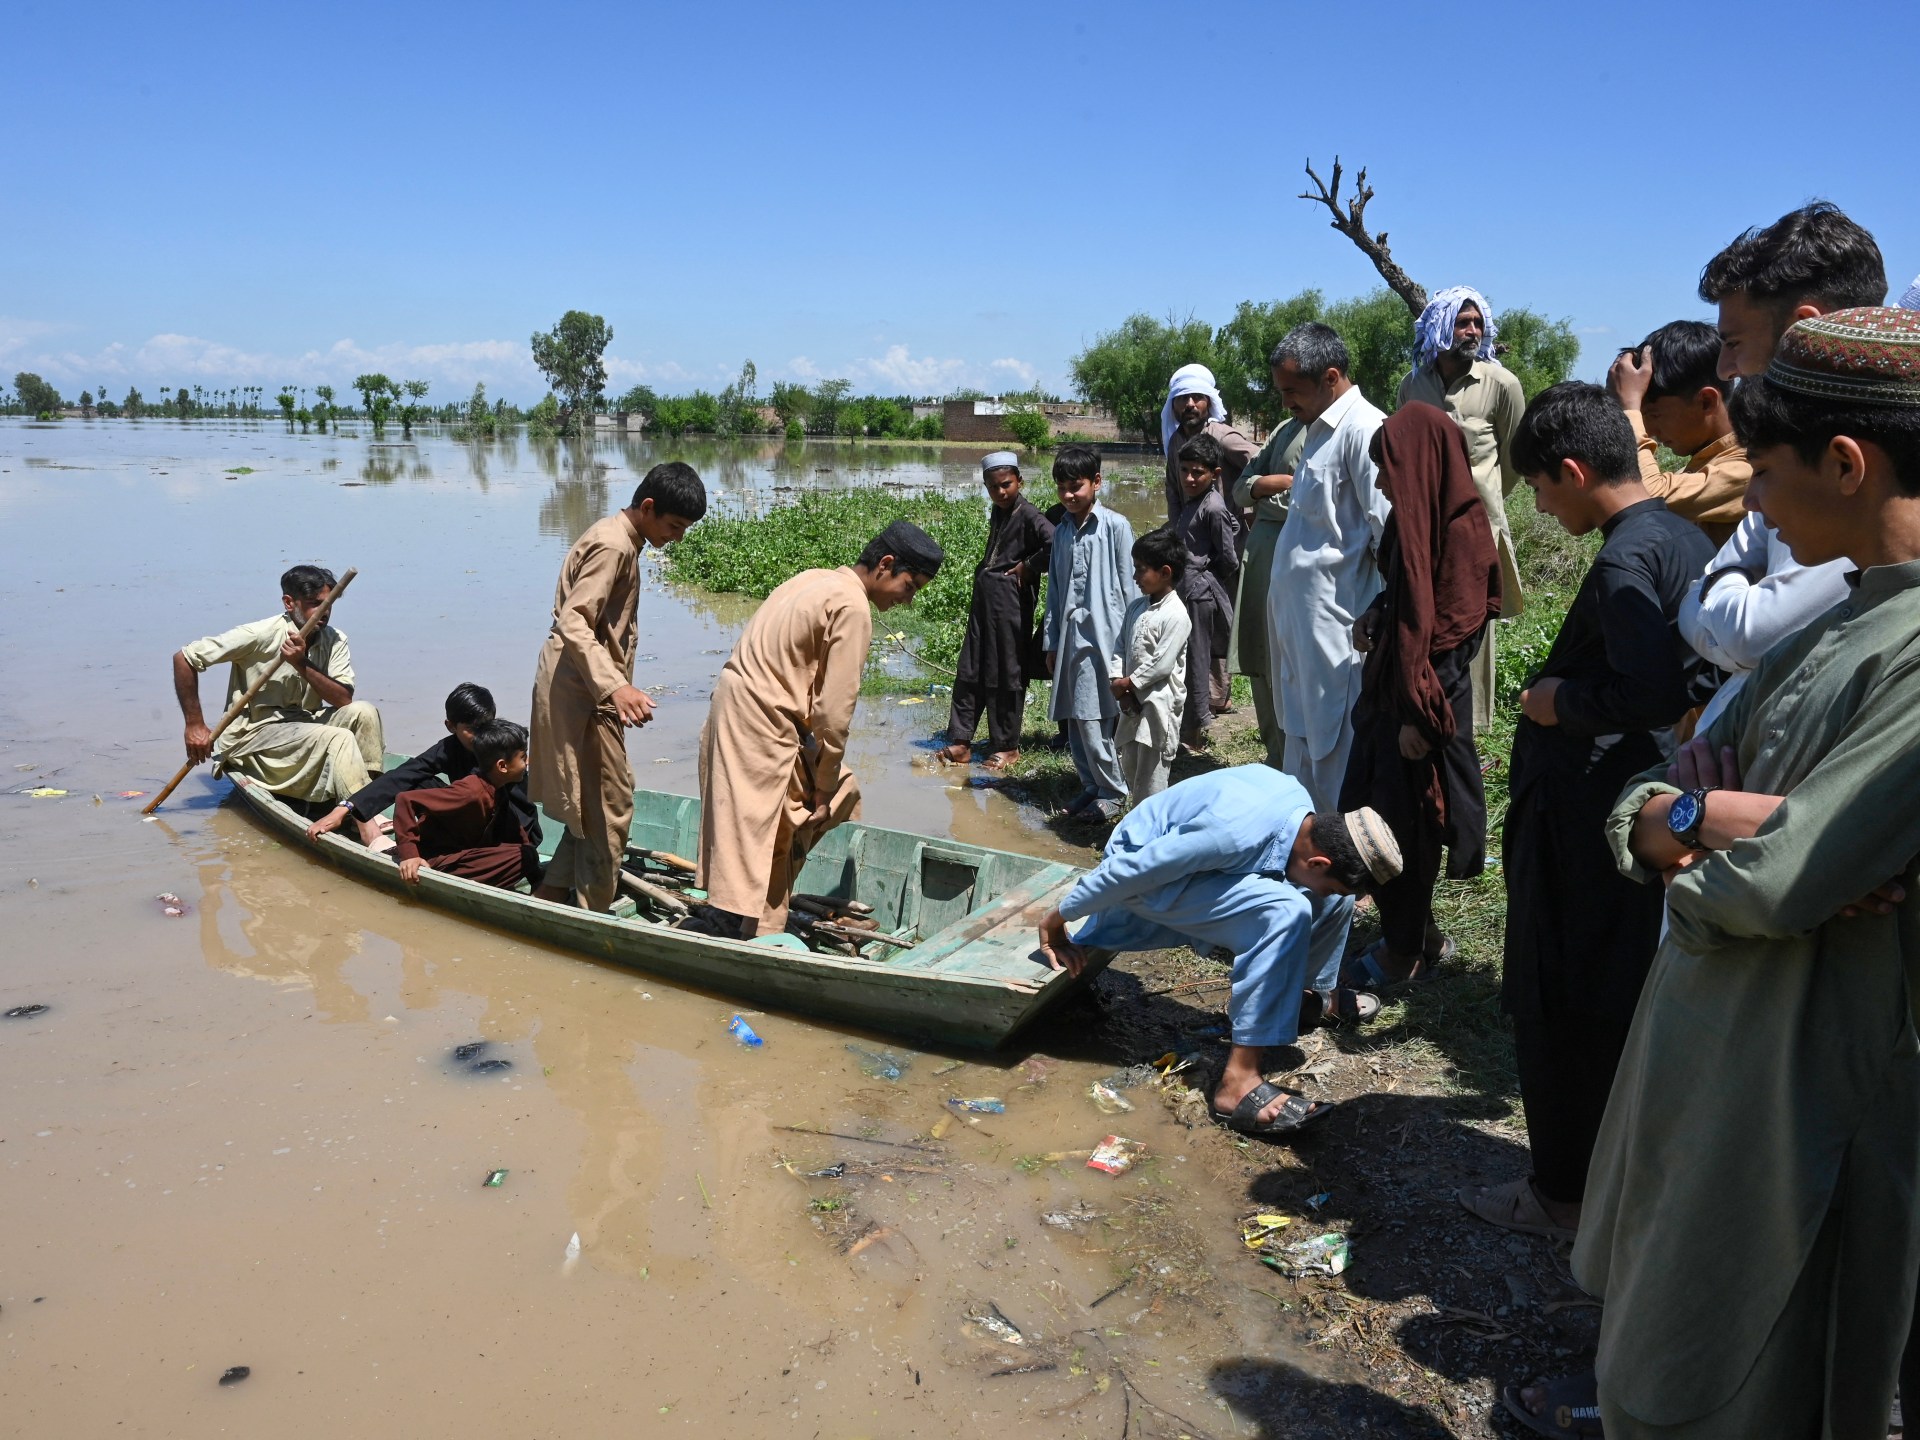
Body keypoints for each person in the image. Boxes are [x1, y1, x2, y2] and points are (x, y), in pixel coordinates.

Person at [1576, 307, 1920, 1439]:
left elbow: (1781, 882)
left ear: (1846, 463)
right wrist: (1708, 815)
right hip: (1726, 1056)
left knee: (1750, 1374)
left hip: (1802, 1092)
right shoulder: (1842, 616)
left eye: (1763, 474)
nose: (1753, 502)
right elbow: (1648, 807)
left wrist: (1720, 845)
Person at [1458, 382, 1713, 1247]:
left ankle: (1562, 1192)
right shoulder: (1681, 535)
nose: (1536, 502)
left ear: (1572, 471)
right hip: (1640, 803)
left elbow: (1652, 686)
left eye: (1539, 487)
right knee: (1614, 992)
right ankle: (1610, 1178)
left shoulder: (1622, 559)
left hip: (1586, 812)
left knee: (1558, 996)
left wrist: (1559, 701)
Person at [1035, 766, 1401, 1134]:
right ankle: (1238, 1082)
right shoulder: (1230, 832)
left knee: (1331, 902)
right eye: (1330, 880)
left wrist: (1332, 895)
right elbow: (1134, 870)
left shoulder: (1304, 817)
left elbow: (1315, 884)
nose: (1328, 889)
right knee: (1286, 911)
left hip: (1198, 861)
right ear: (1319, 861)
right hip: (1145, 868)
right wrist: (1058, 918)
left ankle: (1303, 997)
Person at [1672, 203, 1886, 735]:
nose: (1725, 370)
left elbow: (1749, 635)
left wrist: (1720, 586)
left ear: (1802, 331)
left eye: (1734, 343)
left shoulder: (1867, 481)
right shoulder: (1793, 466)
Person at [692, 520, 943, 939]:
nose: (908, 600)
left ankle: (743, 914)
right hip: (764, 723)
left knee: (767, 825)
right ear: (885, 565)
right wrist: (822, 785)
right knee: (793, 822)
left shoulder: (813, 578)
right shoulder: (853, 607)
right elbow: (833, 712)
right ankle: (764, 933)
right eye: (910, 586)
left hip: (730, 709)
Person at [1339, 405, 1500, 990]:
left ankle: (1403, 952)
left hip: (1420, 711)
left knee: (1405, 831)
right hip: (1393, 699)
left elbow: (1454, 641)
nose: (1382, 481)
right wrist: (1376, 614)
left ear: (1422, 464)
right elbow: (1405, 597)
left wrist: (1424, 721)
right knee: (1371, 814)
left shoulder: (1461, 535)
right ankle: (1420, 935)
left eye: (1389, 469)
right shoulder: (1415, 520)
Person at [1264, 322, 1389, 1022]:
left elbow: (1388, 537)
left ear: (1330, 376)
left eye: (1293, 390)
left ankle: (1321, 967)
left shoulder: (1365, 433)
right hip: (1301, 647)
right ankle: (1294, 923)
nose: (1287, 402)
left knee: (1330, 791)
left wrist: (1372, 615)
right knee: (1300, 781)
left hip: (1335, 648)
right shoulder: (1319, 429)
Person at [528, 462, 706, 912]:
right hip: (581, 686)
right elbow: (574, 619)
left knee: (595, 802)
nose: (677, 537)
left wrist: (614, 686)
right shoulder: (613, 545)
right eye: (674, 526)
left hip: (587, 683)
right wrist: (615, 688)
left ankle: (551, 894)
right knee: (612, 804)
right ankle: (594, 912)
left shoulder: (625, 539)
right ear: (647, 507)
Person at [1397, 286, 1527, 733]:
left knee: (1470, 631)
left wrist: (1477, 504)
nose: (1472, 330)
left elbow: (1511, 462)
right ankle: (1422, 714)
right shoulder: (1412, 386)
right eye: (1462, 322)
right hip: (1423, 534)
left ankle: (1466, 730)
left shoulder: (1502, 384)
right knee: (1423, 621)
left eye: (1477, 322)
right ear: (1439, 326)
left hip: (1476, 535)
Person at [172, 565, 385, 834]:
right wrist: (194, 724)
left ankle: (370, 800)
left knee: (364, 712)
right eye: (314, 604)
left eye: (329, 604)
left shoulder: (334, 639)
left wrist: (301, 663)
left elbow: (343, 699)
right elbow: (185, 658)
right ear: (289, 602)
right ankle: (368, 828)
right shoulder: (259, 634)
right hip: (256, 734)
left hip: (304, 724)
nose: (324, 612)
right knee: (338, 738)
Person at [304, 682, 541, 854]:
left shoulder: (503, 747)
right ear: (450, 726)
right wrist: (346, 808)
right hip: (478, 819)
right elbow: (405, 774)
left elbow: (517, 809)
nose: (480, 737)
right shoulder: (450, 748)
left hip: (512, 829)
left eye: (485, 726)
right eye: (471, 729)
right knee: (414, 779)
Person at [940, 451, 1054, 771]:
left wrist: (1028, 567)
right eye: (993, 487)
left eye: (1006, 485)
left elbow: (1057, 544)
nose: (1000, 492)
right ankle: (961, 741)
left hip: (1009, 604)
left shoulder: (1030, 514)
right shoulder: (999, 510)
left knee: (1006, 669)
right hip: (985, 601)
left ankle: (1007, 746)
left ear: (1019, 480)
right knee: (971, 667)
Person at [1043, 445, 1135, 824]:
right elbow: (1055, 589)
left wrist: (1134, 641)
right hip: (1071, 636)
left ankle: (1114, 791)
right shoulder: (1062, 531)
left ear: (1097, 482)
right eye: (1061, 487)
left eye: (1075, 486)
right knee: (1075, 715)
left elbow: (1132, 587)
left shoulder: (1115, 526)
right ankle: (1092, 784)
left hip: (1106, 637)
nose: (1068, 495)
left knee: (1096, 715)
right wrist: (1050, 639)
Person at [1605, 319, 1750, 546]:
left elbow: (1645, 498)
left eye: (1653, 415)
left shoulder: (1748, 469)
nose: (1650, 431)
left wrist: (1629, 408)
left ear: (1706, 401)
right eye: (1642, 417)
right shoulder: (1699, 468)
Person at [1229, 415, 1305, 768]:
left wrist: (1260, 497)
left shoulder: (1342, 428)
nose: (1287, 400)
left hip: (1298, 565)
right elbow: (1241, 488)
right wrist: (1264, 486)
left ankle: (1298, 765)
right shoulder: (1284, 428)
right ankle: (1276, 758)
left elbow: (1311, 502)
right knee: (1262, 664)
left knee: (1292, 668)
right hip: (1261, 560)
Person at [392, 719, 542, 891]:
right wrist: (409, 855)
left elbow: (517, 834)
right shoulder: (470, 791)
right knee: (524, 856)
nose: (528, 762)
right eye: (523, 757)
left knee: (525, 852)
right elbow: (405, 800)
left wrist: (539, 882)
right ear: (502, 766)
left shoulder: (498, 789)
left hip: (462, 854)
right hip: (431, 860)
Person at [1111, 526, 1192, 807]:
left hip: (1159, 706)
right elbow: (1120, 646)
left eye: (1141, 569)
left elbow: (1161, 664)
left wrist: (1128, 683)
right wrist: (1117, 680)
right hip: (1131, 703)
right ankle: (1137, 823)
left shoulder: (1176, 615)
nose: (1135, 576)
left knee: (1153, 773)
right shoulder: (1136, 608)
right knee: (1131, 765)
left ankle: (1151, 834)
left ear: (1165, 572)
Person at [1171, 433, 1241, 749]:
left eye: (1197, 472)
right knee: (1186, 660)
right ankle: (1188, 726)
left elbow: (1228, 557)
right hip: (1189, 590)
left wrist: (1206, 579)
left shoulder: (1212, 507)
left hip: (1200, 594)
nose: (1189, 477)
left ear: (1214, 474)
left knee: (1197, 664)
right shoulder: (1195, 501)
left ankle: (1195, 733)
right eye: (1184, 470)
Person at [1159, 361, 1256, 528]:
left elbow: (1261, 463)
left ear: (1209, 403)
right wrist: (1178, 531)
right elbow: (1173, 490)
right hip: (1193, 536)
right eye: (1182, 397)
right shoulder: (1176, 441)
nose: (1190, 404)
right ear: (1173, 406)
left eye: (1197, 397)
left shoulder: (1222, 437)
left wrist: (1251, 509)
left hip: (1228, 535)